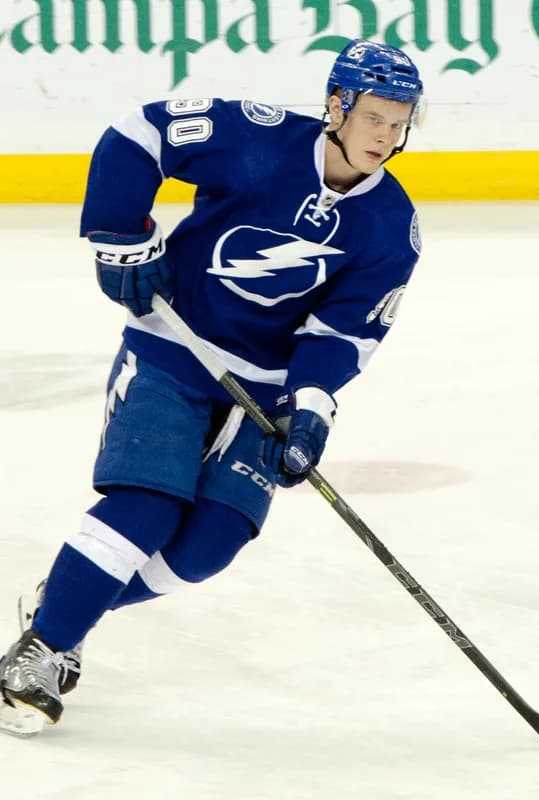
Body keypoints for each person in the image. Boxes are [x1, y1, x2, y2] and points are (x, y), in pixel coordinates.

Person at [0, 39, 424, 737]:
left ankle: (67, 602)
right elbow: (138, 135)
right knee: (147, 505)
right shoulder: (257, 139)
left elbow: (343, 333)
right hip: (173, 346)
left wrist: (312, 409)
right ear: (337, 106)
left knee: (209, 546)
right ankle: (45, 647)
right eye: (374, 117)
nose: (386, 135)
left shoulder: (390, 227)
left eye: (399, 121)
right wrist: (120, 237)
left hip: (266, 388)